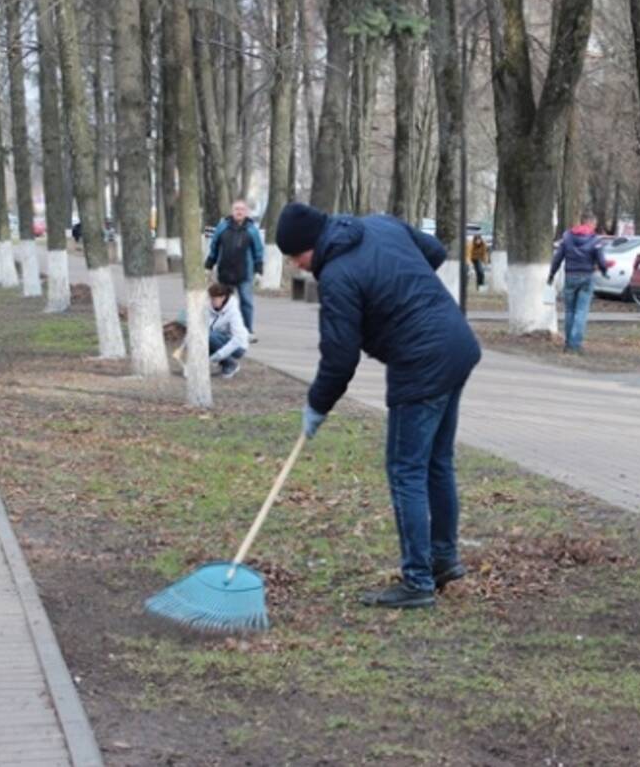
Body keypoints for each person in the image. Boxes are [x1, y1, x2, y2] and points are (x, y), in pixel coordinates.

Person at [276, 202, 481, 610]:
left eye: (296, 256)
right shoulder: (381, 225)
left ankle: (418, 581)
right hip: (456, 344)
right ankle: (443, 560)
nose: (297, 265)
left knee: (407, 470)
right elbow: (434, 251)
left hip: (421, 364)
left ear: (311, 245)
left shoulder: (337, 276)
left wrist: (317, 405)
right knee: (437, 463)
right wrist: (401, 288)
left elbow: (340, 358)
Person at [546, 217, 611, 354]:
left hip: (570, 276)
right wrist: (604, 271)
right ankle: (575, 345)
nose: (595, 227)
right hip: (587, 277)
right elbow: (601, 259)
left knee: (569, 311)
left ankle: (568, 343)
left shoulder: (567, 237)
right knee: (581, 311)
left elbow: (558, 257)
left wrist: (551, 274)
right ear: (591, 224)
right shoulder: (595, 240)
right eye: (594, 224)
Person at [205, 199, 264, 334]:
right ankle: (223, 329)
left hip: (244, 274)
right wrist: (209, 265)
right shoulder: (222, 227)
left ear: (246, 212)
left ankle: (247, 331)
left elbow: (258, 251)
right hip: (224, 273)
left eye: (242, 209)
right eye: (236, 209)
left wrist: (259, 270)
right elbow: (214, 246)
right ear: (232, 211)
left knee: (246, 303)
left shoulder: (252, 230)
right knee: (222, 302)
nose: (239, 212)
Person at [204, 282, 249, 378]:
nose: (212, 301)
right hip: (220, 340)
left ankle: (230, 364)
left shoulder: (233, 312)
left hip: (238, 347)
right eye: (211, 298)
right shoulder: (209, 308)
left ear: (223, 297)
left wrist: (219, 355)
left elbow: (238, 339)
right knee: (204, 337)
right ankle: (225, 363)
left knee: (209, 336)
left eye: (214, 299)